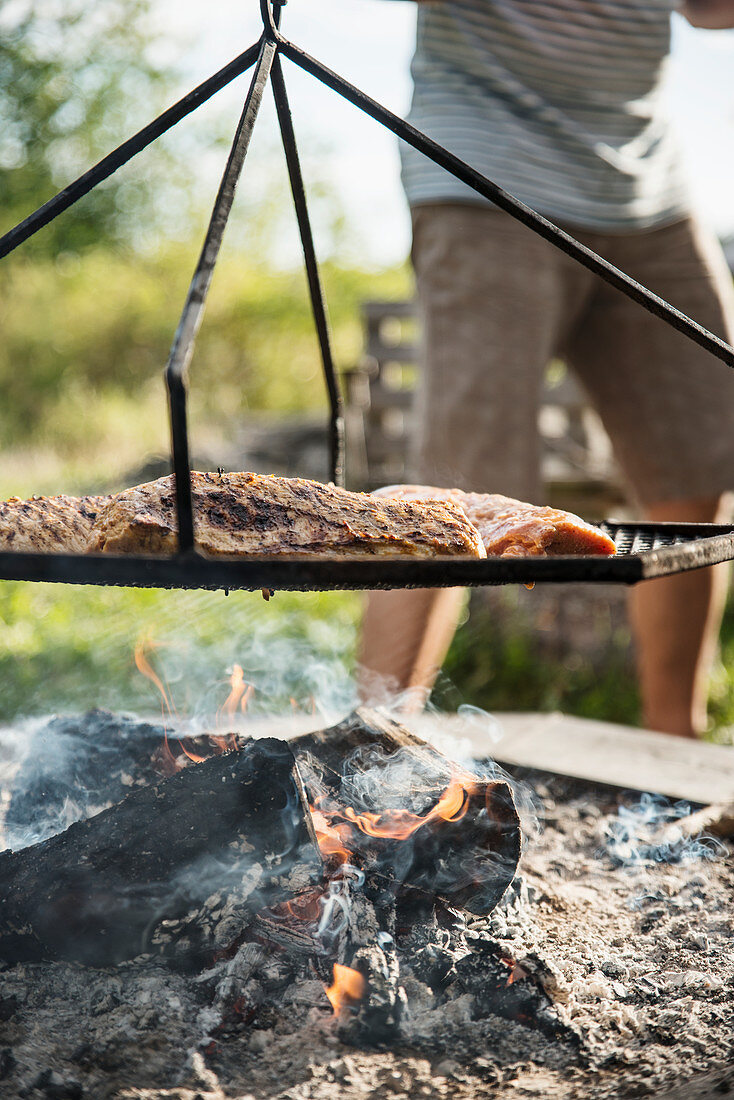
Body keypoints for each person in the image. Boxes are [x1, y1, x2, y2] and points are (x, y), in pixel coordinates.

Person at [359, 0, 734, 738]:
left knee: (699, 469)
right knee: (454, 497)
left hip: (641, 185)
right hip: (482, 170)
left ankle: (673, 751)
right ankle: (369, 753)